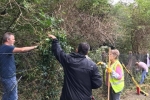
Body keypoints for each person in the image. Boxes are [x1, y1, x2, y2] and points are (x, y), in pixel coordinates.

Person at [47, 34, 102, 100]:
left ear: (77, 50)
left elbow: (58, 52)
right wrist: (86, 85)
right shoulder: (92, 65)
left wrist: (55, 40)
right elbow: (97, 83)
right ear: (87, 53)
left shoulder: (69, 60)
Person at [0, 32, 38, 100]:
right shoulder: (8, 48)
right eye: (13, 39)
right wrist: (35, 47)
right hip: (9, 77)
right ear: (8, 39)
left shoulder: (2, 48)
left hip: (3, 77)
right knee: (13, 97)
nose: (14, 40)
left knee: (6, 94)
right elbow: (22, 49)